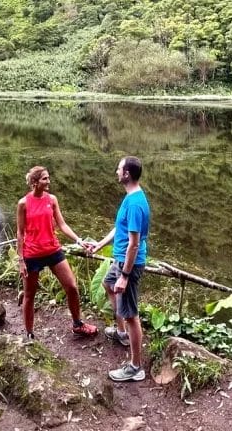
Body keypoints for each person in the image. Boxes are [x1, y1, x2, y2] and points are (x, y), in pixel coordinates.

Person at [16, 165, 98, 339]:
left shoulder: (51, 199)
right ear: (34, 182)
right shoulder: (23, 203)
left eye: (48, 178)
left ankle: (77, 324)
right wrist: (20, 259)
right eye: (45, 178)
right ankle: (29, 334)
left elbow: (62, 224)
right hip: (32, 254)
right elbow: (20, 232)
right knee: (30, 295)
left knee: (72, 287)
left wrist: (78, 240)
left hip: (53, 250)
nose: (48, 181)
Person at [89, 155, 150, 382]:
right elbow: (120, 230)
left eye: (119, 169)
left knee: (132, 314)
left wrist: (125, 275)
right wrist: (99, 245)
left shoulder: (135, 204)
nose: (116, 171)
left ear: (126, 174)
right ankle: (121, 332)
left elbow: (134, 244)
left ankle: (136, 367)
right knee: (107, 284)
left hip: (129, 263)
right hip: (119, 259)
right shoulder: (130, 197)